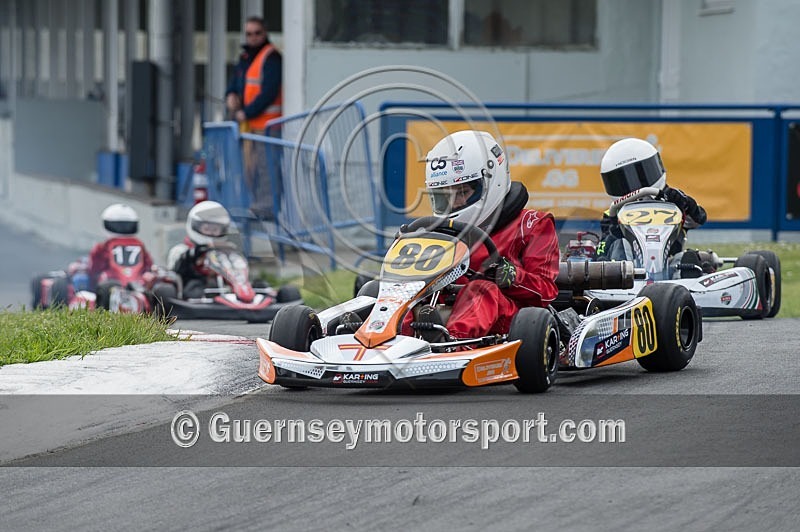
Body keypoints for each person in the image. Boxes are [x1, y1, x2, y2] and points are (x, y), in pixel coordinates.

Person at [406, 130, 560, 341]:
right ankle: (381, 344)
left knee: (481, 289)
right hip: (448, 309)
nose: (454, 204)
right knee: (399, 294)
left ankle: (453, 346)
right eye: (445, 195)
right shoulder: (438, 232)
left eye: (462, 192)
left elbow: (547, 293)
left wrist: (513, 276)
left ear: (490, 183)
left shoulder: (532, 225)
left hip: (514, 321)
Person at [596, 137, 707, 262]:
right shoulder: (613, 213)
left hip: (672, 268)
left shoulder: (673, 201)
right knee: (615, 249)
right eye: (623, 180)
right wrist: (616, 229)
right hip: (629, 270)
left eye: (640, 175)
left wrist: (686, 204)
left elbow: (699, 218)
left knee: (689, 259)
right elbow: (602, 249)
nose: (634, 186)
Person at [225, 16, 282, 134]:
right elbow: (236, 81)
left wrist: (246, 113)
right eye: (249, 34)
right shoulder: (245, 57)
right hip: (248, 125)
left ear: (265, 33)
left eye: (257, 33)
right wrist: (231, 94)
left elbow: (269, 92)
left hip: (267, 127)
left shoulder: (271, 57)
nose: (253, 37)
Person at [167, 200, 233, 299]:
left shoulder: (223, 253)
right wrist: (194, 254)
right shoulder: (180, 250)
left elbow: (231, 274)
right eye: (207, 229)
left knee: (258, 285)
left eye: (215, 230)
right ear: (195, 227)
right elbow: (174, 273)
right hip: (191, 289)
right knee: (205, 285)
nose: (211, 233)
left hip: (220, 288)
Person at [88, 203, 154, 290]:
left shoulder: (103, 247)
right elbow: (148, 265)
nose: (122, 228)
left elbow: (94, 269)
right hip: (136, 283)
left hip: (112, 284)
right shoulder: (140, 245)